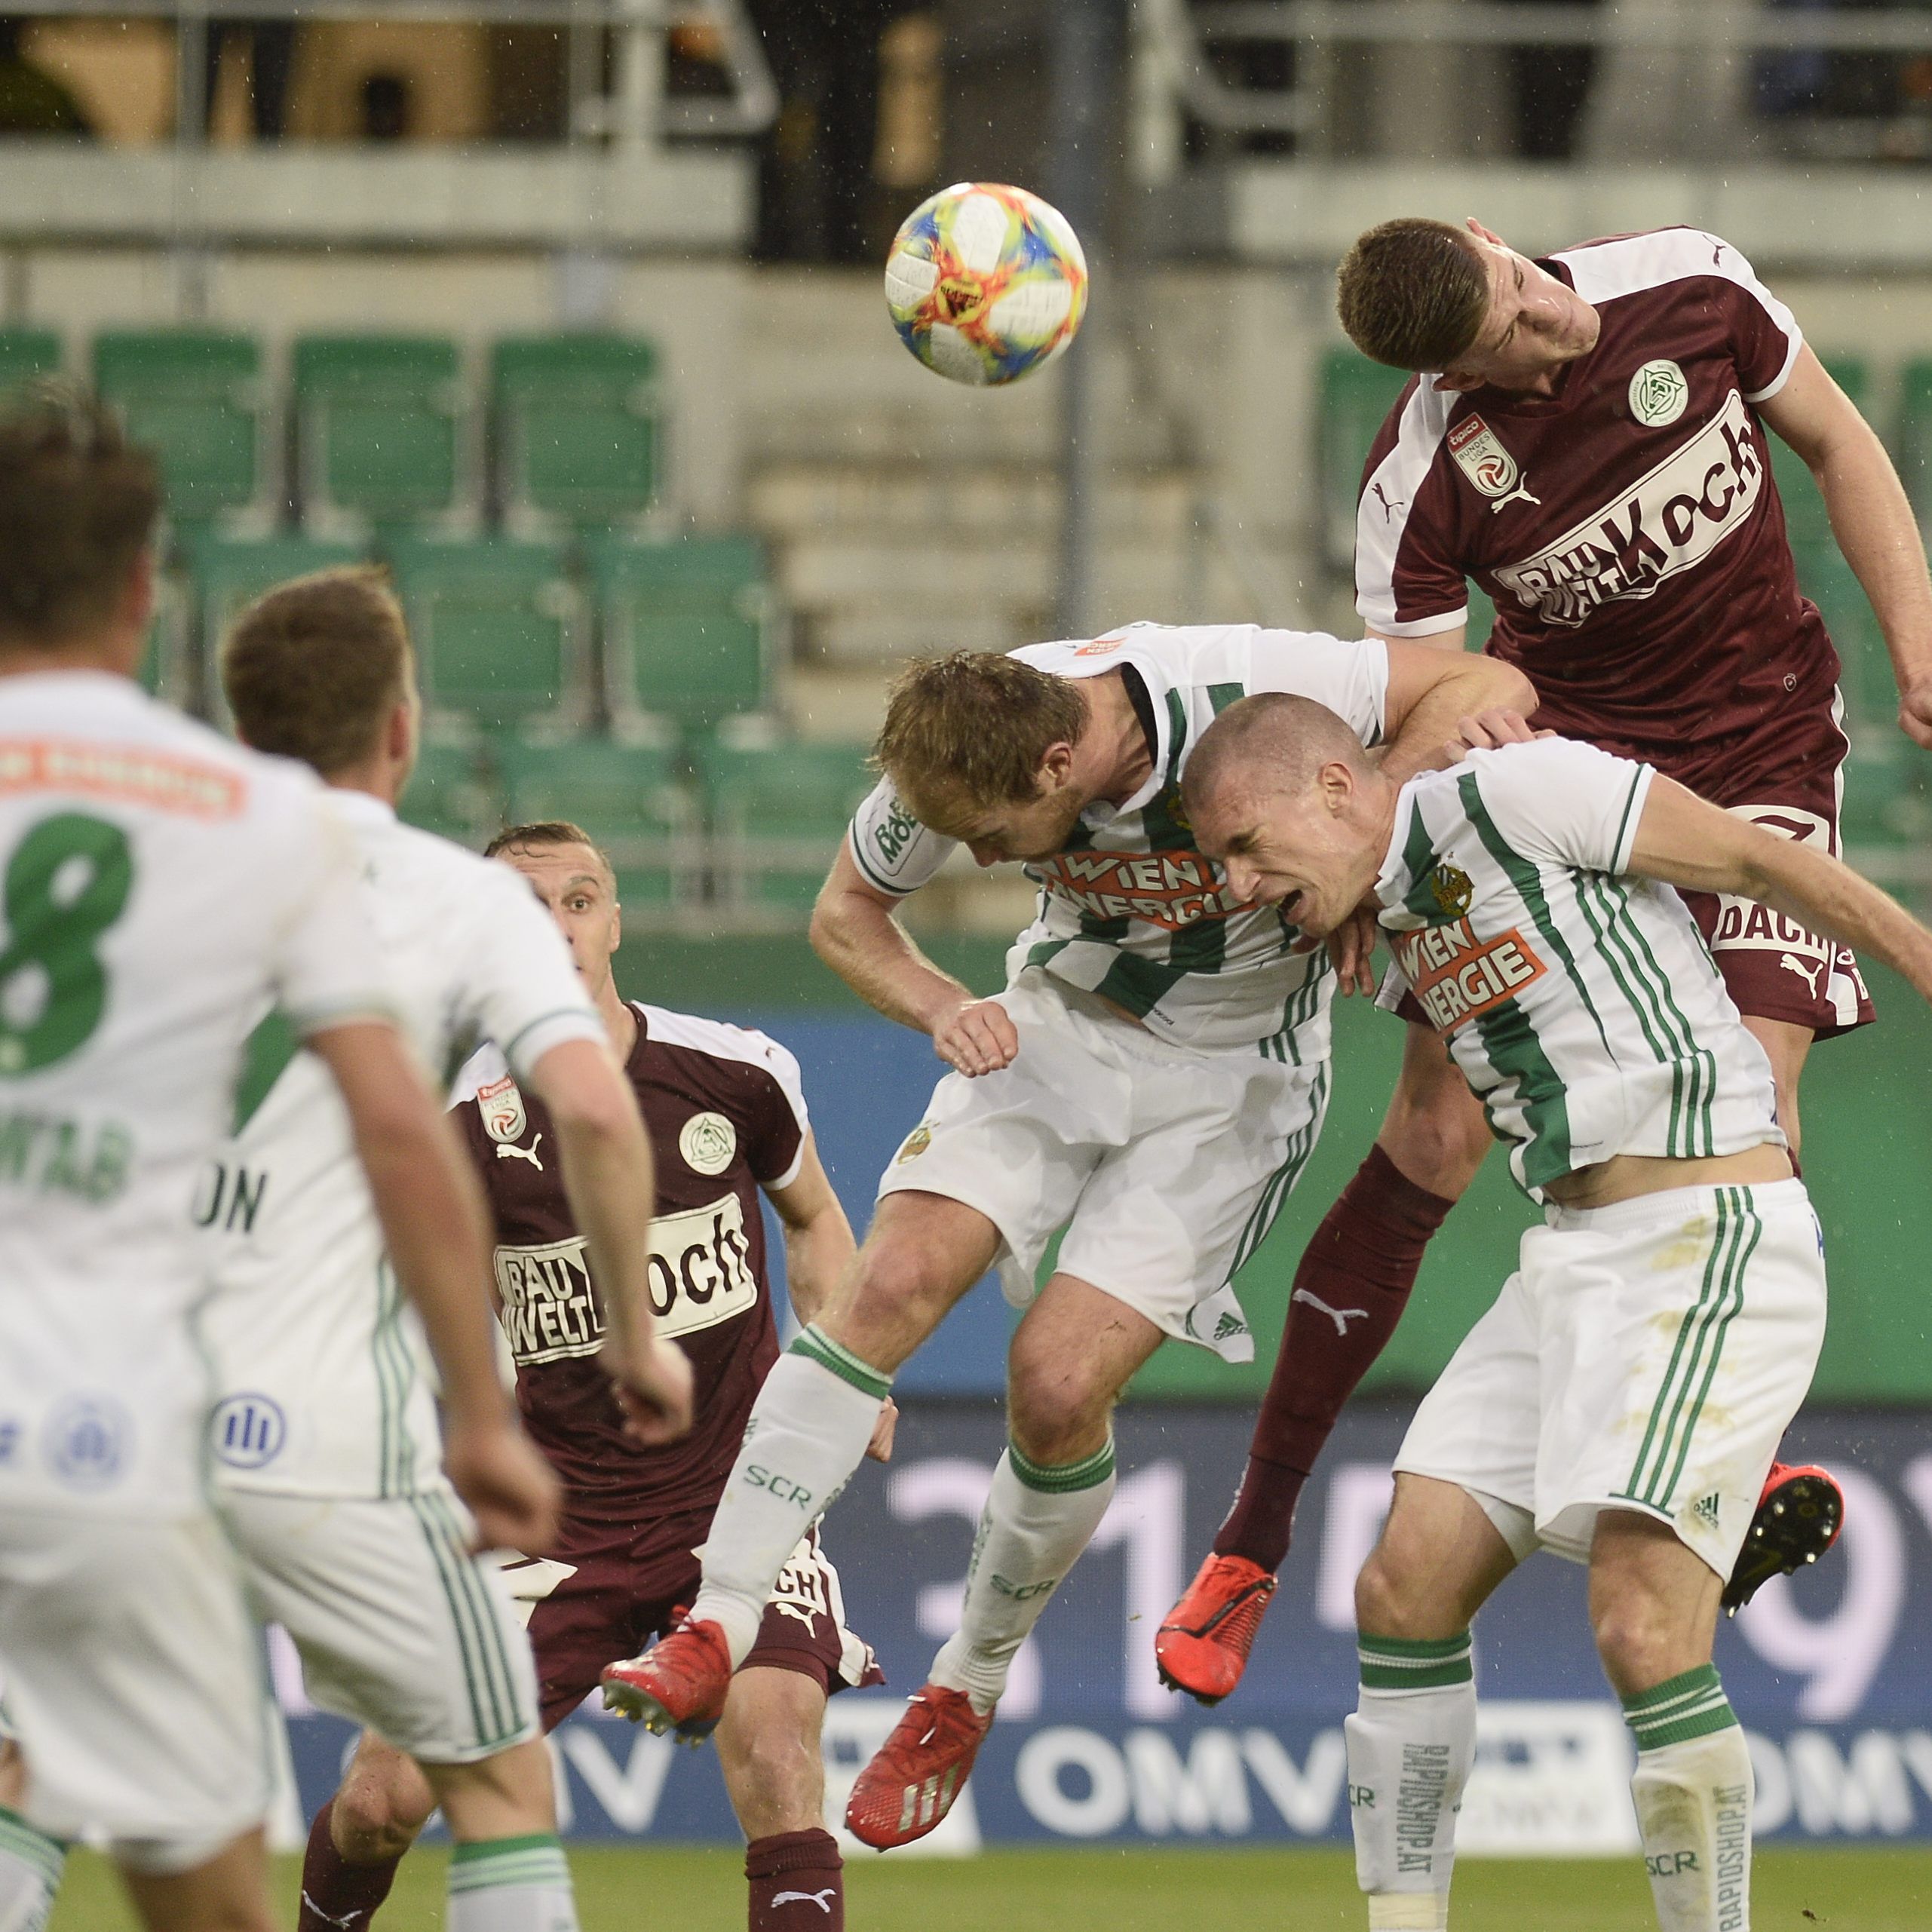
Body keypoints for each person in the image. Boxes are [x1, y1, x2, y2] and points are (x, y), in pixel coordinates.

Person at [600, 621, 1534, 1848]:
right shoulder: (960, 742)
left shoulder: (1243, 680)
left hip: (1231, 1086)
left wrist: (1375, 832)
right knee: (885, 1290)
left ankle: (962, 1687)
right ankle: (713, 1620)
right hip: (1051, 1031)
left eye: (993, 837)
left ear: (1056, 764)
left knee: (1050, 1384)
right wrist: (941, 1003)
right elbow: (845, 914)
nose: (978, 852)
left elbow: (1485, 681)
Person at [1158, 213, 1924, 1697]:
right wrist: (1449, 773)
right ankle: (1253, 1533)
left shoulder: (1689, 282)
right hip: (1564, 786)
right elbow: (1421, 711)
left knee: (1749, 1096)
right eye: (1502, 340)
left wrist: (1918, 633)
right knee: (1434, 1131)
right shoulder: (1425, 480)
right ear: (1456, 379)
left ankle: (1731, 1464)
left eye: (1520, 286)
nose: (1538, 325)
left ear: (1502, 242)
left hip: (1764, 745)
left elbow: (1838, 441)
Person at [1179, 691, 1932, 1932]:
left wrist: (1916, 952)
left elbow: (1752, 856)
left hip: (1707, 1234)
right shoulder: (1391, 899)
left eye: (1247, 849)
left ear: (1331, 787)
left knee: (1641, 1629)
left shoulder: (1512, 794)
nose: (1241, 887)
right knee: (1402, 1587)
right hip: (1570, 1254)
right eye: (1222, 867)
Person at [0, 391, 529, 1932]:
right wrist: (480, 1414)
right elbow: (392, 1127)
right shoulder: (243, 818)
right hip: (110, 1426)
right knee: (221, 1878)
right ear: (143, 593)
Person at [195, 569, 688, 1932]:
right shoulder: (452, 899)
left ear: (241, 729)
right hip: (321, 1437)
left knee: (39, 1775)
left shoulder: (135, 869)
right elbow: (589, 1103)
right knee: (493, 1783)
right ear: (401, 731)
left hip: (94, 1414)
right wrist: (629, 1343)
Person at [298, 820, 884, 1932]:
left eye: (579, 900)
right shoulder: (457, 1120)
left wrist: (851, 1365)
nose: (559, 928)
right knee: (381, 1801)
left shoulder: (738, 1072)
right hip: (553, 1516)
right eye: (525, 907)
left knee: (775, 1753)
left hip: (736, 1500)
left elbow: (812, 1222)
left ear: (614, 920)